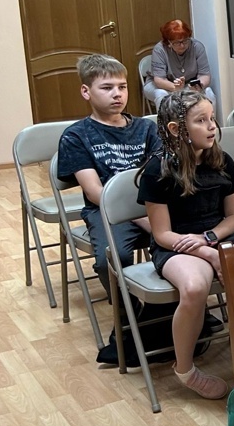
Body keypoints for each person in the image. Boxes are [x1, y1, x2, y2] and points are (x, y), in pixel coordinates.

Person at [136, 89, 234, 400]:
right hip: (176, 245)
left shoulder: (222, 160)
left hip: (217, 236)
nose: (212, 126)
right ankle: (185, 369)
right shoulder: (158, 169)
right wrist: (208, 253)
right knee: (195, 287)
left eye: (212, 118)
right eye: (201, 120)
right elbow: (162, 234)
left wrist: (210, 239)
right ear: (175, 129)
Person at [57, 53, 161, 295]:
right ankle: (127, 311)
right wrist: (141, 219)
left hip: (152, 204)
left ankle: (172, 305)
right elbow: (95, 192)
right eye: (107, 88)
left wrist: (155, 218)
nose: (117, 94)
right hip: (106, 210)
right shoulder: (76, 136)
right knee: (112, 259)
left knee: (181, 240)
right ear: (86, 92)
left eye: (122, 87)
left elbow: (160, 175)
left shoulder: (146, 128)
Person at [146, 20, 216, 112]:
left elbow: (204, 75)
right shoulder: (159, 50)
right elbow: (160, 80)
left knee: (208, 92)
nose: (182, 45)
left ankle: (211, 121)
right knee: (162, 95)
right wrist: (176, 88)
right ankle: (166, 121)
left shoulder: (197, 47)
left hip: (188, 85)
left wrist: (199, 85)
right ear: (168, 42)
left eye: (185, 41)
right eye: (177, 43)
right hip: (162, 85)